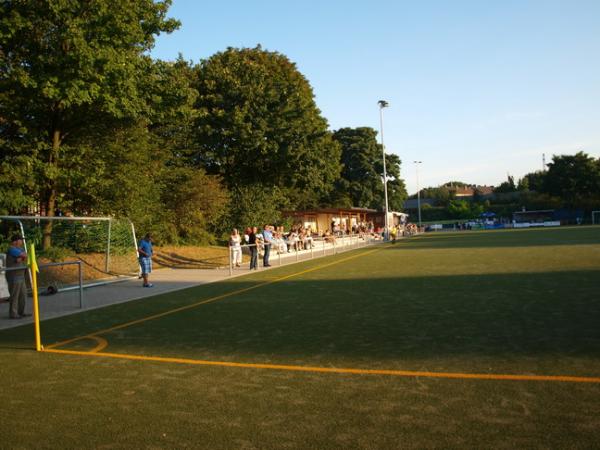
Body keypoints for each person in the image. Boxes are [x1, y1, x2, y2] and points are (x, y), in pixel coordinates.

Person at [6, 235, 29, 319]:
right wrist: (22, 257)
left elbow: (25, 255)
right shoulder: (12, 249)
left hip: (21, 276)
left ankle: (21, 312)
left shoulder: (19, 249)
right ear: (15, 241)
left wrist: (21, 257)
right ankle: (13, 313)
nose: (22, 242)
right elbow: (24, 255)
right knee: (14, 295)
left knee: (23, 294)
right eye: (20, 240)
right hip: (14, 276)